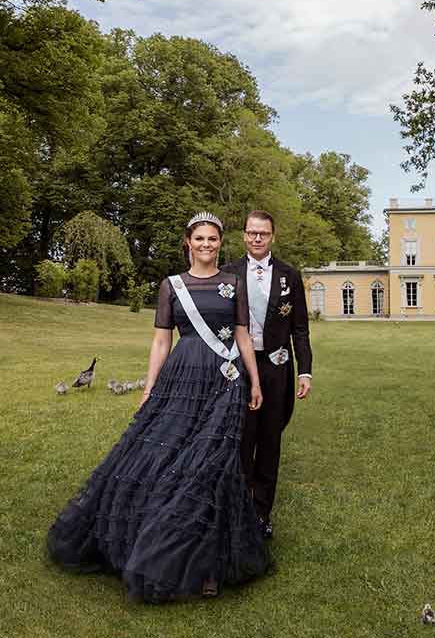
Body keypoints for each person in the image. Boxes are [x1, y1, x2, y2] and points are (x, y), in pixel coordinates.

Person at [46, 212, 271, 602]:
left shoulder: (234, 284)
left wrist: (254, 379)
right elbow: (160, 342)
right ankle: (150, 543)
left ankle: (208, 566)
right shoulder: (171, 286)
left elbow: (242, 336)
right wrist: (150, 387)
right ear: (188, 242)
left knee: (213, 464)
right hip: (180, 380)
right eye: (199, 238)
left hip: (223, 381)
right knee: (164, 457)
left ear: (221, 243)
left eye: (212, 239)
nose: (206, 245)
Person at [221, 210, 312, 540]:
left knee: (270, 441)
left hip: (277, 366)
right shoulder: (228, 272)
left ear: (272, 236)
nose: (257, 238)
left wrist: (306, 371)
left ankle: (262, 513)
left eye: (263, 233)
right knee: (241, 438)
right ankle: (240, 506)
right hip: (240, 367)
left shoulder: (290, 275)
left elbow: (300, 328)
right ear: (244, 235)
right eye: (251, 233)